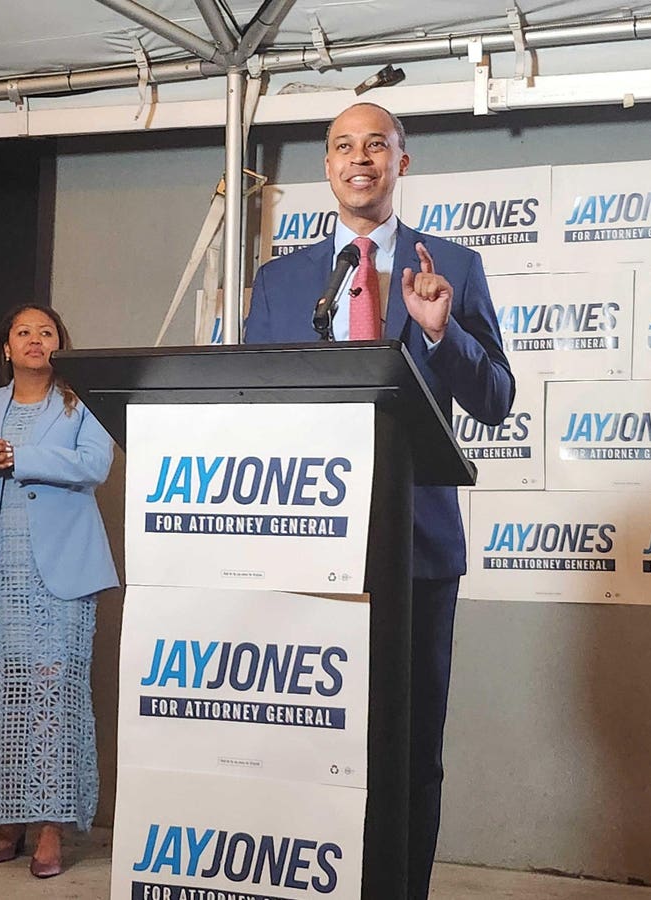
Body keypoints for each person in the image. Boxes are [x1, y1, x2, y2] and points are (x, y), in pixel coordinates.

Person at [244, 102, 515, 899]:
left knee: (409, 746)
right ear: (328, 166)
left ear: (402, 161)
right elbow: (251, 400)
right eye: (342, 147)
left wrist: (440, 333)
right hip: (307, 543)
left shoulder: (453, 266)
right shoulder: (283, 280)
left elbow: (496, 399)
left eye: (376, 145)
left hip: (417, 545)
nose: (358, 159)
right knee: (312, 745)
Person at [0, 304, 118, 879]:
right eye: (24, 332)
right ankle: (5, 816)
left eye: (46, 332)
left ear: (59, 344)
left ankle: (50, 827)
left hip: (60, 571)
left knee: (53, 697)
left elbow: (95, 464)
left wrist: (21, 457)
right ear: (7, 348)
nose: (35, 340)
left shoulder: (81, 401)